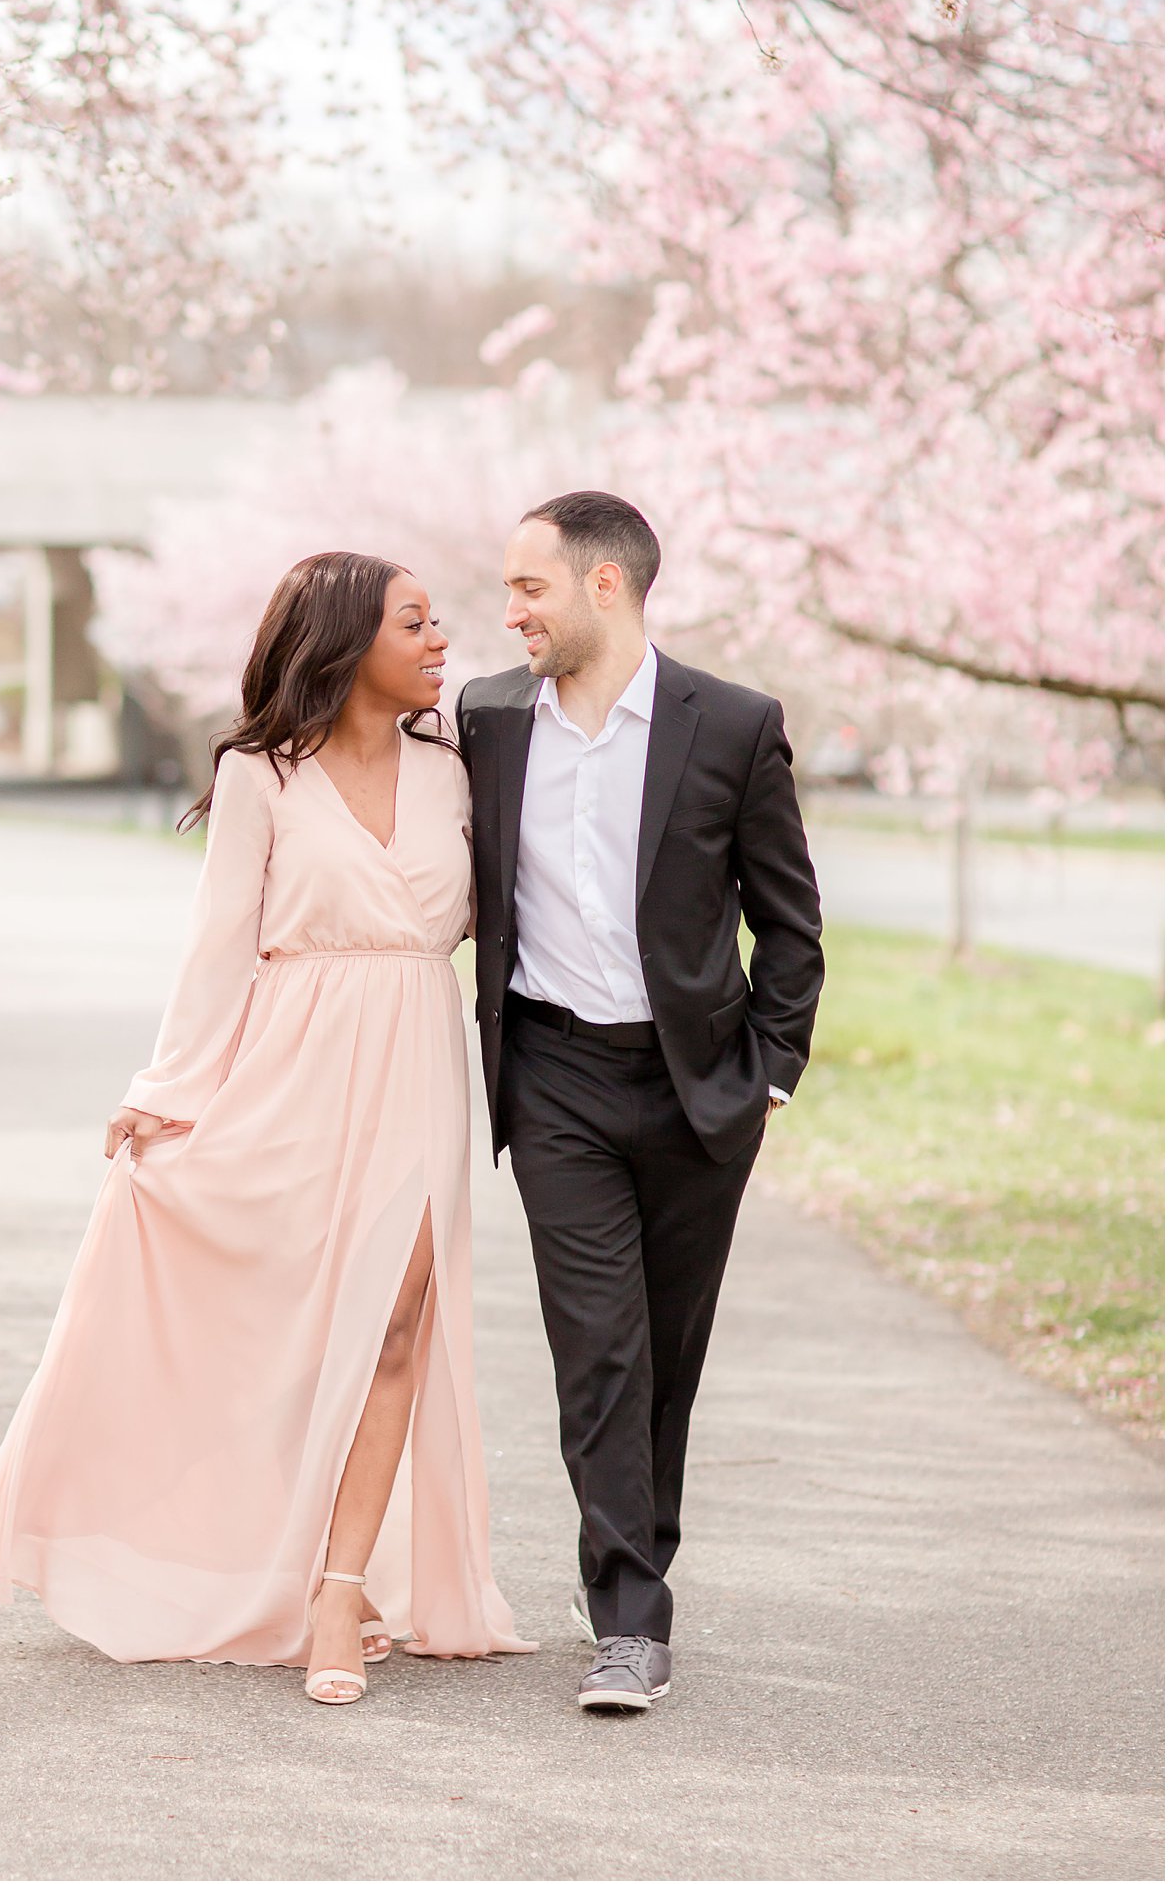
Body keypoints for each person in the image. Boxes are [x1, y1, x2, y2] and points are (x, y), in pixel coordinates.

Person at [0, 552, 532, 1703]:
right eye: (413, 624)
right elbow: (218, 947)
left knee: (397, 1325)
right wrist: (166, 1091)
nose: (438, 642)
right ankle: (227, 1551)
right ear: (341, 642)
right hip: (288, 1070)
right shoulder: (262, 775)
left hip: (414, 1058)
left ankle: (337, 1588)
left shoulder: (457, 768)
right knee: (286, 1329)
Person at [457, 491, 824, 1716]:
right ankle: (628, 1618)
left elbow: (787, 921)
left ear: (603, 587)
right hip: (552, 1075)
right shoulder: (489, 720)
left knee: (666, 1352)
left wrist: (768, 1069)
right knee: (598, 1350)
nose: (508, 613)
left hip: (691, 1090)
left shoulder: (728, 724)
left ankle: (633, 1557)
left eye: (528, 589)